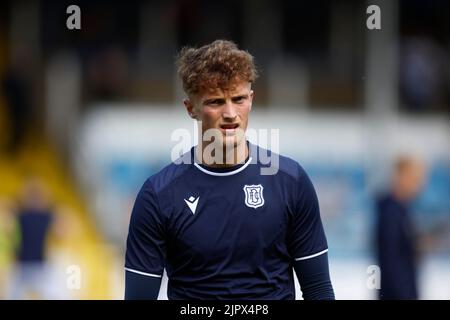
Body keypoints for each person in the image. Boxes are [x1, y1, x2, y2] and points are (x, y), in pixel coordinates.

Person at [124, 40, 335, 300]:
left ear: (251, 99)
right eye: (215, 102)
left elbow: (318, 289)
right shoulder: (158, 195)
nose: (230, 113)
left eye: (238, 99)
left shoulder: (291, 181)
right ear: (191, 109)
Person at [375, 156, 426, 300]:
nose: (419, 185)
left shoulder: (402, 210)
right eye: (415, 179)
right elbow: (390, 262)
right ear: (401, 176)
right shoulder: (390, 212)